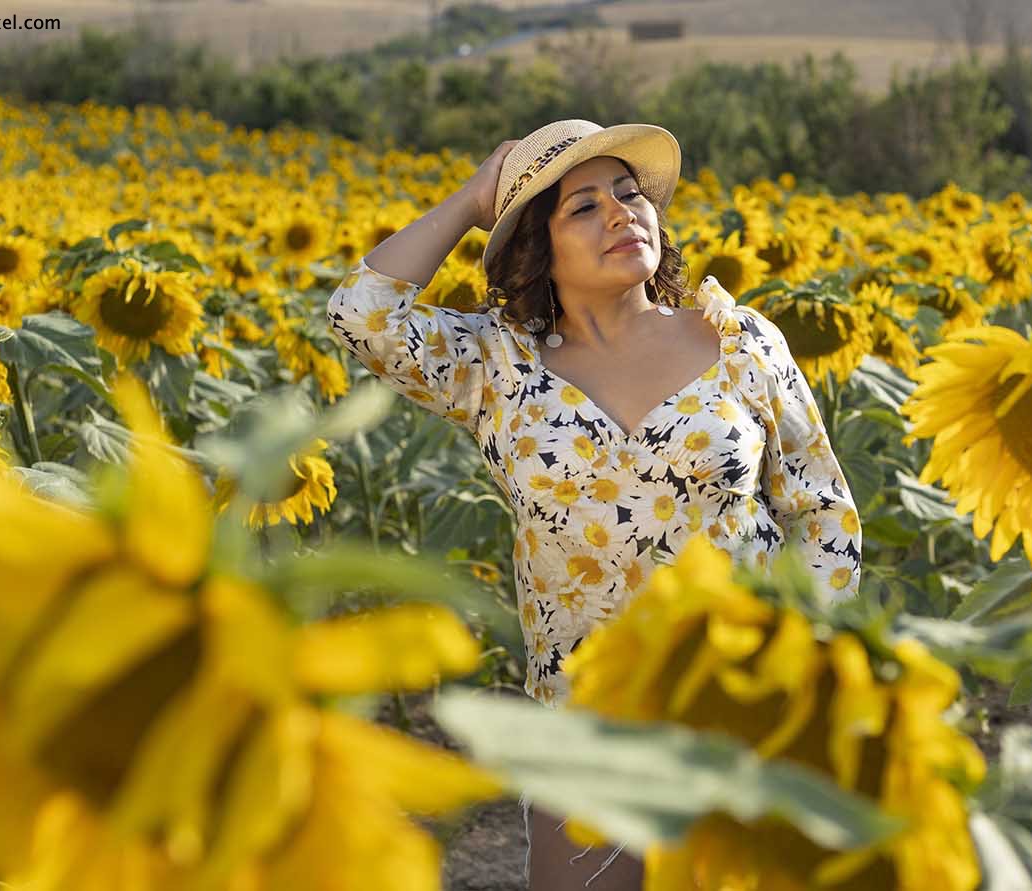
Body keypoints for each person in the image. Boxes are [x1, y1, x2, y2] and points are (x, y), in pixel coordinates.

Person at [326, 119, 863, 890]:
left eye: (629, 192)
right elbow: (360, 312)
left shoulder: (739, 340)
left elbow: (824, 517)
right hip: (586, 724)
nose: (622, 212)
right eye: (583, 206)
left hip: (744, 711)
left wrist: (801, 684)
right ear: (537, 249)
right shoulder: (497, 369)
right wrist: (478, 198)